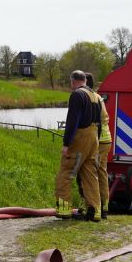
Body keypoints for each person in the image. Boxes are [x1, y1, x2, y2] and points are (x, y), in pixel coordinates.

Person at [55, 70, 101, 220]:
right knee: (90, 176)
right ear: (85, 80)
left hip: (80, 139)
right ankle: (95, 212)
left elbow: (73, 121)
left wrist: (66, 143)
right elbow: (100, 122)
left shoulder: (77, 95)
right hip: (94, 139)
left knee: (66, 174)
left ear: (73, 81)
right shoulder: (95, 96)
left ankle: (64, 210)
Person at [77, 73, 112, 218]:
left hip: (95, 140)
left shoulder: (87, 98)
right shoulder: (98, 97)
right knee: (101, 172)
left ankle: (92, 207)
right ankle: (103, 206)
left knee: (87, 172)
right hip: (106, 139)